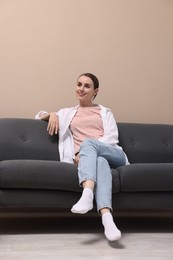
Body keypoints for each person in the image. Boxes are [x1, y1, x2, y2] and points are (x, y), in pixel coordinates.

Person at [35, 73, 129, 241]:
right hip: (93, 160)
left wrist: (83, 151)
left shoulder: (105, 112)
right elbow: (37, 116)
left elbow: (112, 138)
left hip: (114, 154)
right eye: (79, 84)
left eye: (87, 86)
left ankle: (87, 193)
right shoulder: (67, 113)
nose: (81, 89)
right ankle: (107, 219)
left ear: (95, 91)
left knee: (88, 144)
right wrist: (52, 114)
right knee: (100, 162)